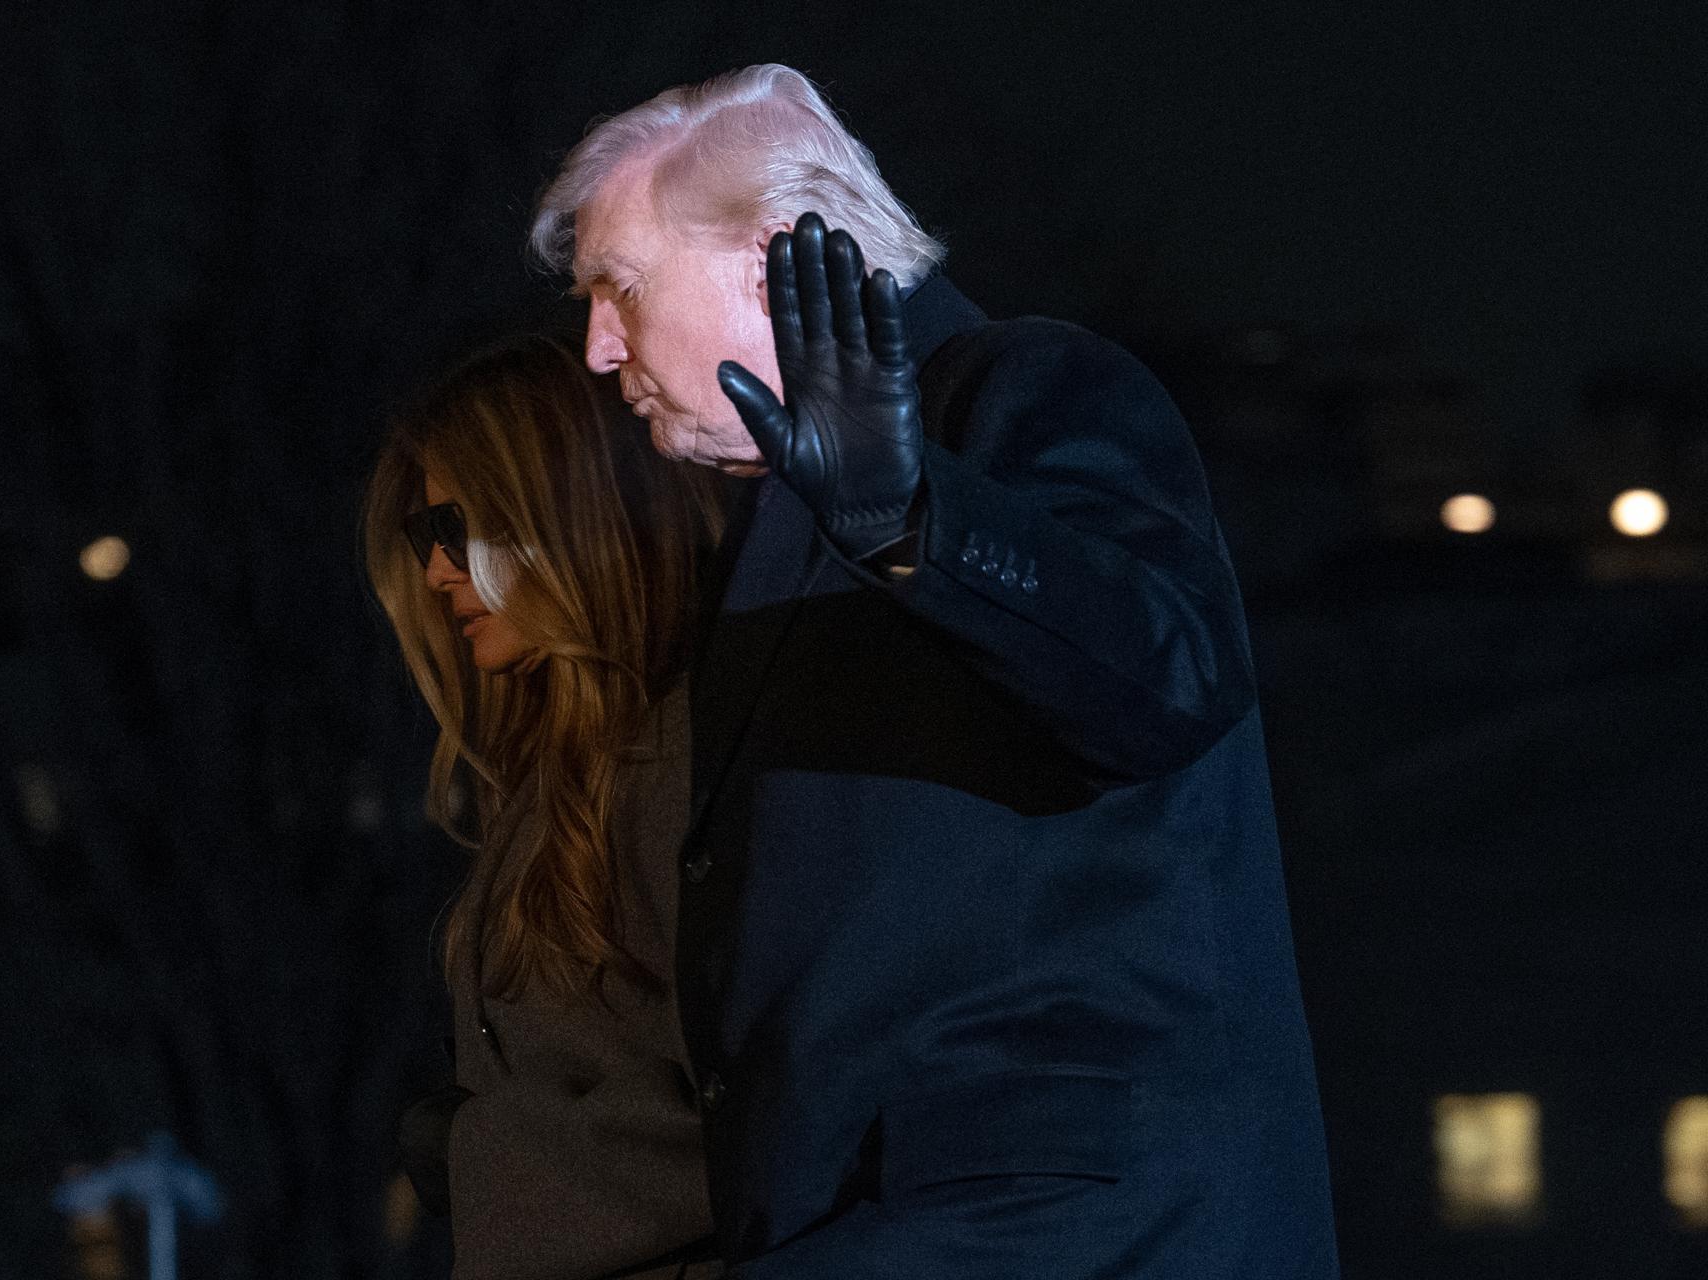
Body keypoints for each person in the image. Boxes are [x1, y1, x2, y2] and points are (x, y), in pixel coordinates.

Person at [529, 65, 1340, 1277]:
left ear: (772, 257)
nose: (597, 346)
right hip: (877, 1218)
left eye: (620, 288)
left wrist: (916, 515)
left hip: (1062, 1225)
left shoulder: (1029, 387)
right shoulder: (764, 515)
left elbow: (1167, 676)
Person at [363, 335, 727, 1280]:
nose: (438, 573)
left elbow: (756, 1100)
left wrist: (475, 1157)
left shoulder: (679, 760)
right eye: (421, 539)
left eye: (454, 527)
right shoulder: (559, 774)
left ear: (556, 513)